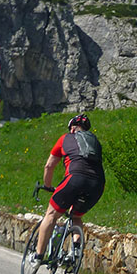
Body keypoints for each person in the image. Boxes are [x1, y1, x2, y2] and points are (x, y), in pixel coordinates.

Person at [33, 113, 105, 264]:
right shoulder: (95, 142)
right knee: (76, 216)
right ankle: (75, 251)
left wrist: (47, 186)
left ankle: (38, 256)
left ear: (72, 127)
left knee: (51, 214)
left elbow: (49, 166)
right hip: (98, 184)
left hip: (75, 178)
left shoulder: (65, 138)